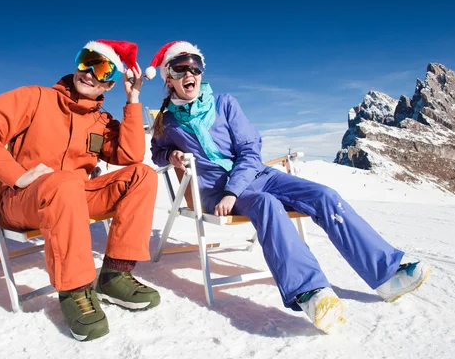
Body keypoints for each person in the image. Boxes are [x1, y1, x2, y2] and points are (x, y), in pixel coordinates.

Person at [146, 41, 431, 334]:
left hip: (253, 176)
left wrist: (235, 190)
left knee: (324, 195)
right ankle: (310, 293)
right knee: (267, 204)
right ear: (169, 78)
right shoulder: (166, 122)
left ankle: (386, 274)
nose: (190, 72)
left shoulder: (224, 103)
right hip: (214, 192)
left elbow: (248, 148)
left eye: (196, 66)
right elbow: (157, 151)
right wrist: (171, 155)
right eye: (181, 68)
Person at [0, 39, 160, 342]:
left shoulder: (100, 120)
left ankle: (114, 274)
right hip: (22, 201)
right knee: (64, 182)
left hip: (73, 199)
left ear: (109, 85)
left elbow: (130, 156)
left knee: (142, 175)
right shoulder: (34, 98)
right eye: (86, 61)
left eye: (102, 68)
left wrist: (132, 99)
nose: (90, 73)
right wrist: (18, 175)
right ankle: (75, 291)